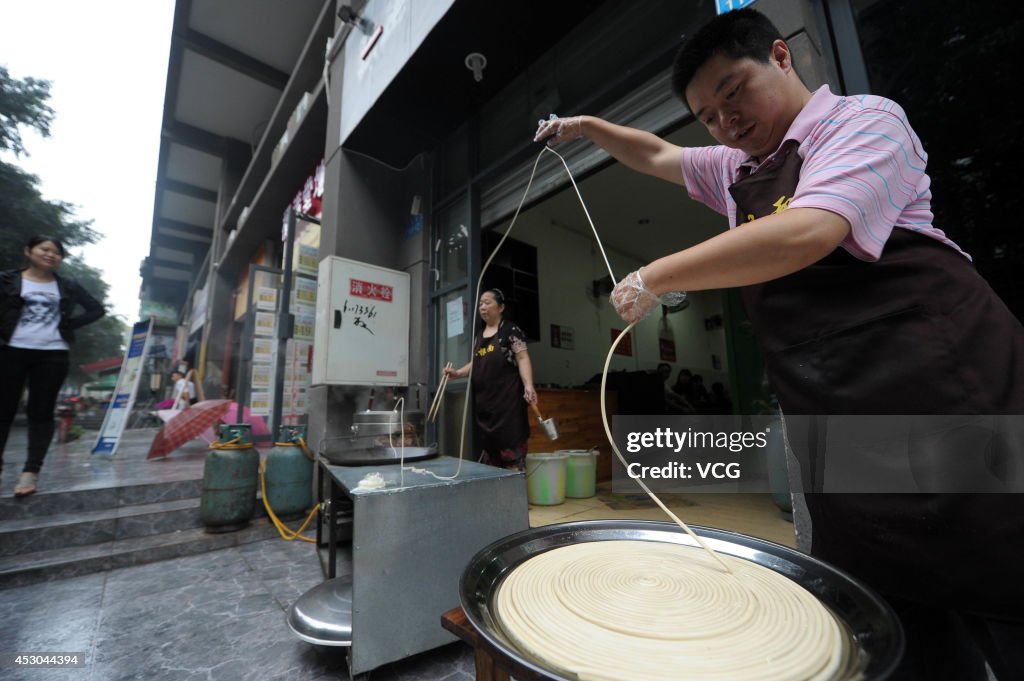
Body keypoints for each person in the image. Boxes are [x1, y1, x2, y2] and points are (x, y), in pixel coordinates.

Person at [535, 8, 1023, 680]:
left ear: (781, 57)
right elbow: (654, 152)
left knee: (998, 571)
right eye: (707, 115)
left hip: (942, 384)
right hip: (840, 413)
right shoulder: (735, 168)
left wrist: (655, 276)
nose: (725, 122)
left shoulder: (862, 120)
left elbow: (811, 230)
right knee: (886, 609)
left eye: (733, 92)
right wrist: (584, 128)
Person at [0, 236, 105, 497]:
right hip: (11, 350)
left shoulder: (67, 285)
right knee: (2, 411)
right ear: (29, 251)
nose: (50, 254)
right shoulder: (7, 280)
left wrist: (68, 325)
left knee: (41, 411)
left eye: (56, 252)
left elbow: (96, 309)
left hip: (53, 353)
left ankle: (31, 471)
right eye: (44, 249)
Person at [444, 288, 537, 470]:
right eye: (480, 304)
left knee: (512, 462)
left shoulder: (510, 330)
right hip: (487, 411)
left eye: (487, 302)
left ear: (501, 307)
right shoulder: (479, 336)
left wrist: (529, 385)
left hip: (508, 410)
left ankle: (514, 497)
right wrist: (458, 373)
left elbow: (522, 357)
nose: (482, 307)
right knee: (491, 462)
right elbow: (477, 362)